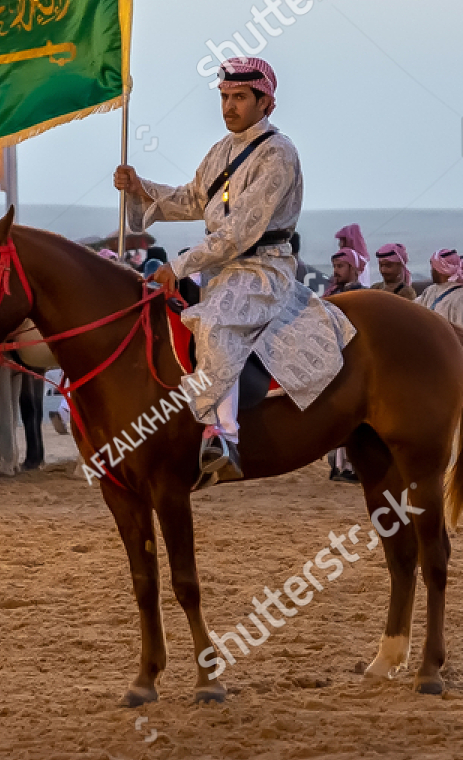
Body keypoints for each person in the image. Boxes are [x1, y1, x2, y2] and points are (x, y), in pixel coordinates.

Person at [113, 56, 354, 481]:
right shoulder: (222, 150)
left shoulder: (279, 154)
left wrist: (179, 264)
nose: (229, 107)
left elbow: (239, 231)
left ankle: (224, 436)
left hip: (262, 269)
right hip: (220, 270)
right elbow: (192, 199)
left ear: (266, 104)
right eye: (225, 97)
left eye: (240, 97)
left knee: (217, 321)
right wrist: (140, 188)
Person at [417, 249, 463, 332]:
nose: (431, 271)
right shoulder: (430, 291)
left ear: (441, 270)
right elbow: (412, 307)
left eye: (433, 268)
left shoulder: (462, 299)